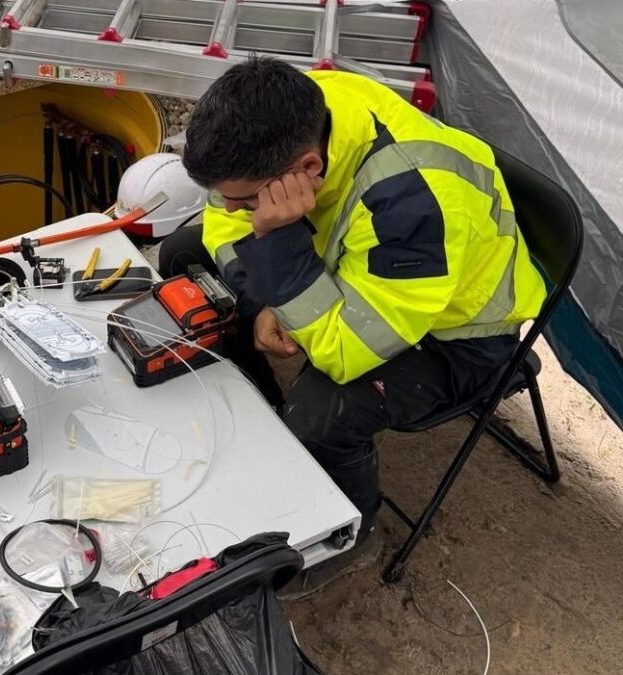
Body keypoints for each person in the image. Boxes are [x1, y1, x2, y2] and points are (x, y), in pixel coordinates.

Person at [159, 57, 546, 582]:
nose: (228, 209)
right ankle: (261, 414)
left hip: (458, 337)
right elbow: (219, 221)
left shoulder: (416, 205)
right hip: (365, 277)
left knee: (322, 412)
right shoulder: (293, 110)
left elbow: (343, 353)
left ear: (307, 171)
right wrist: (261, 299)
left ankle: (351, 533)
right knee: (185, 255)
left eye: (245, 200)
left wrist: (276, 243)